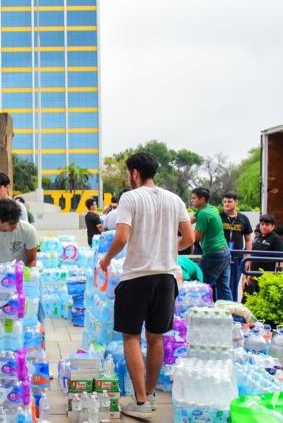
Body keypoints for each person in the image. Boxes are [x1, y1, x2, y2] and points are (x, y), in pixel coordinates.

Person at [98, 152, 194, 419]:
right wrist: (165, 248)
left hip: (137, 277)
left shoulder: (130, 198)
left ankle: (140, 402)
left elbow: (121, 237)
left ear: (135, 173)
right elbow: (188, 237)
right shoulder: (175, 199)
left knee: (130, 337)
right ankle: (149, 396)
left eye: (129, 173)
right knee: (156, 339)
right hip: (166, 278)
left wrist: (106, 260)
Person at [191, 187, 232, 301]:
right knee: (224, 288)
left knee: (200, 285)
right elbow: (188, 221)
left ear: (202, 199)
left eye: (194, 198)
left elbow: (195, 238)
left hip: (214, 254)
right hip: (224, 252)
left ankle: (199, 314)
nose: (191, 201)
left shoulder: (204, 213)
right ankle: (233, 317)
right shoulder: (210, 209)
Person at [219, 192, 253, 301]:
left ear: (236, 202)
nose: (226, 204)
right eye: (224, 202)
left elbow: (248, 240)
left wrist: (248, 257)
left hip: (237, 257)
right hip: (220, 256)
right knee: (221, 284)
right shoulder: (218, 217)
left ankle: (232, 312)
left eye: (229, 201)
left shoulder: (243, 218)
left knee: (233, 284)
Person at [244, 214, 283, 297]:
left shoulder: (276, 239)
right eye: (262, 224)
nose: (264, 227)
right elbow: (251, 257)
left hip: (267, 278)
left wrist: (277, 277)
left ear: (273, 226)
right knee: (247, 303)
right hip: (253, 277)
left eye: (267, 225)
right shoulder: (257, 238)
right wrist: (248, 275)